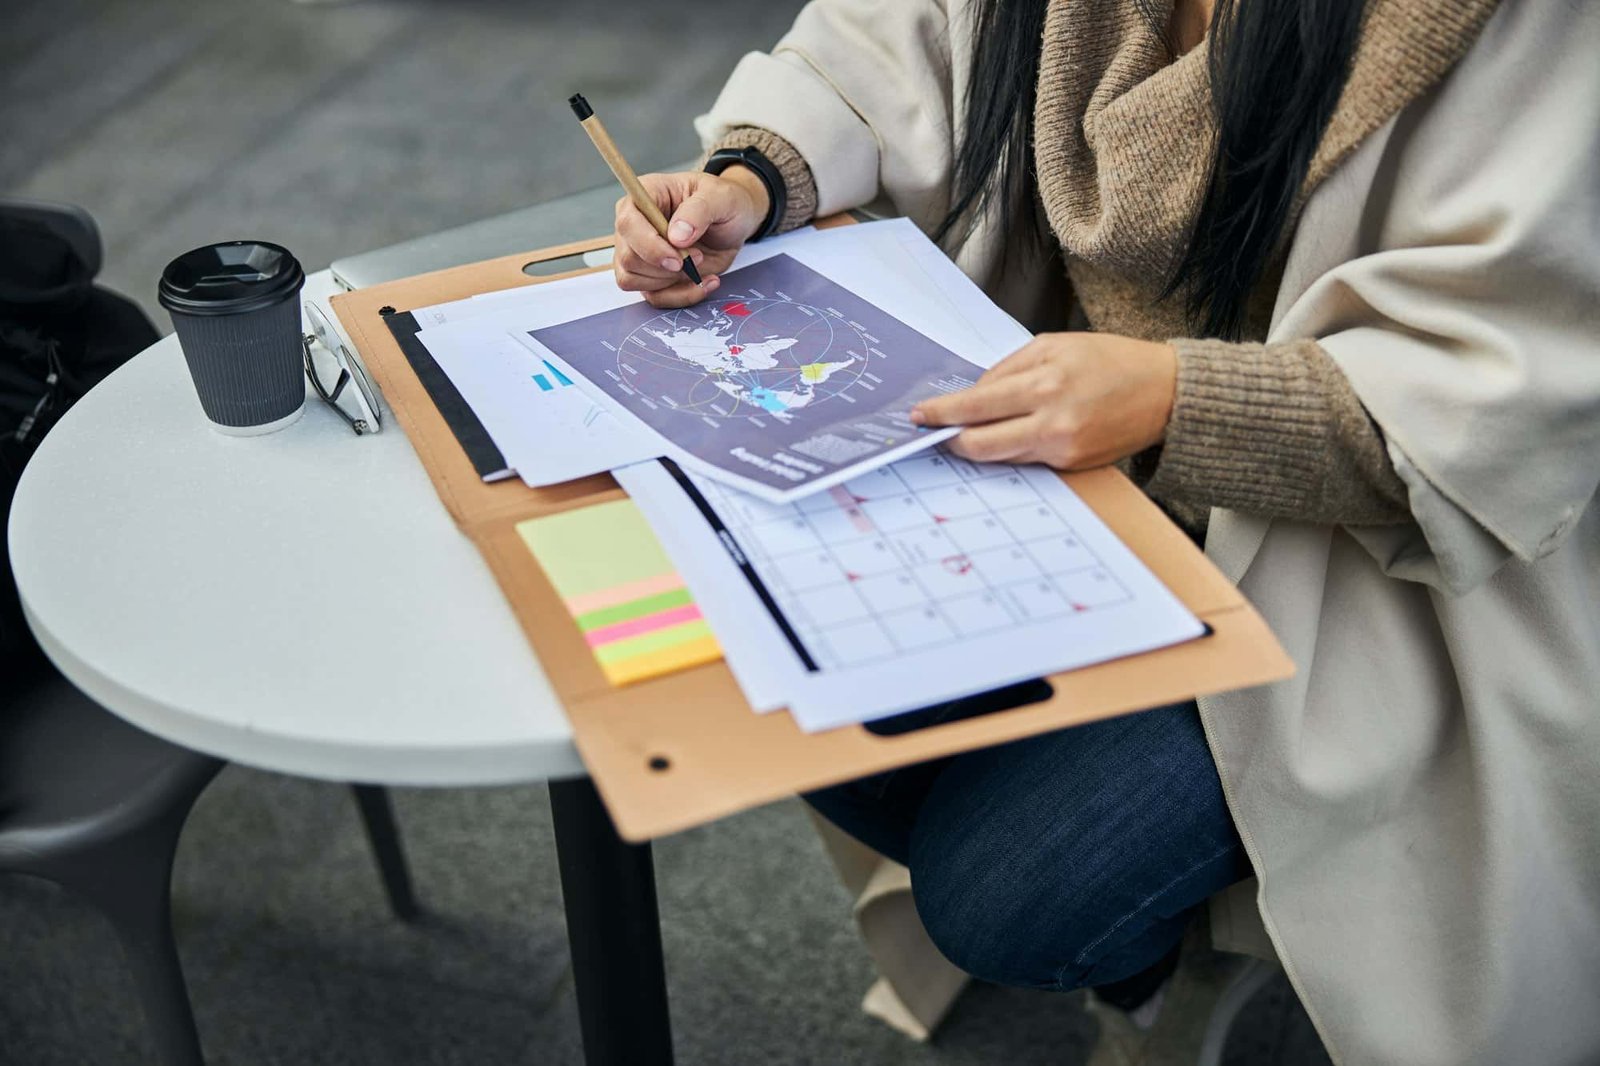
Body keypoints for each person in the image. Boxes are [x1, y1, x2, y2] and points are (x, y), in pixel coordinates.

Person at [608, 2, 1600, 1063]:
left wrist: (1178, 402)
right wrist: (753, 177)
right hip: (1065, 466)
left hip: (1343, 577)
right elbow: (898, 38)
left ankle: (1160, 958)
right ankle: (1159, 944)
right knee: (762, 671)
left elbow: (1507, 382)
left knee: (1006, 898)